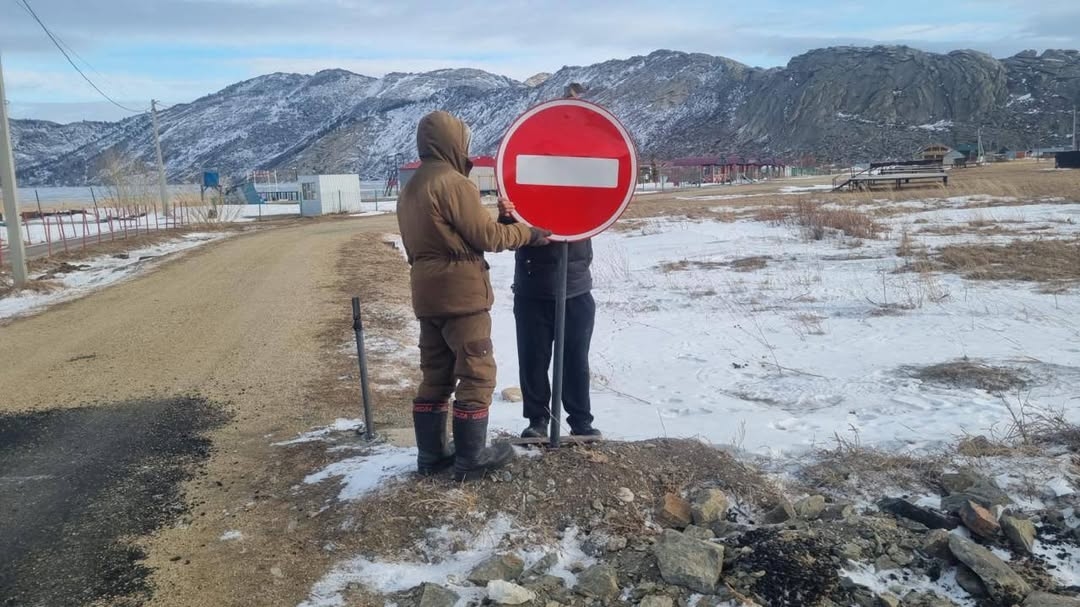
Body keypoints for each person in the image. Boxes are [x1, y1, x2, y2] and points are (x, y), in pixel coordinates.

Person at [397, 110, 550, 481]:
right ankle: (471, 459)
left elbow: (442, 240)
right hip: (462, 297)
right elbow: (489, 237)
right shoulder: (453, 184)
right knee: (476, 373)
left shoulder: (411, 189)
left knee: (436, 374)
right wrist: (529, 233)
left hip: (426, 296)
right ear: (453, 142)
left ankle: (431, 456)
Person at [497, 82, 601, 440]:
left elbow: (602, 206)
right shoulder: (526, 177)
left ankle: (581, 422)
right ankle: (537, 421)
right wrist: (507, 215)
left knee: (575, 360)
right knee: (533, 359)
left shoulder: (586, 175)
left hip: (575, 287)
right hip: (532, 286)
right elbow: (508, 234)